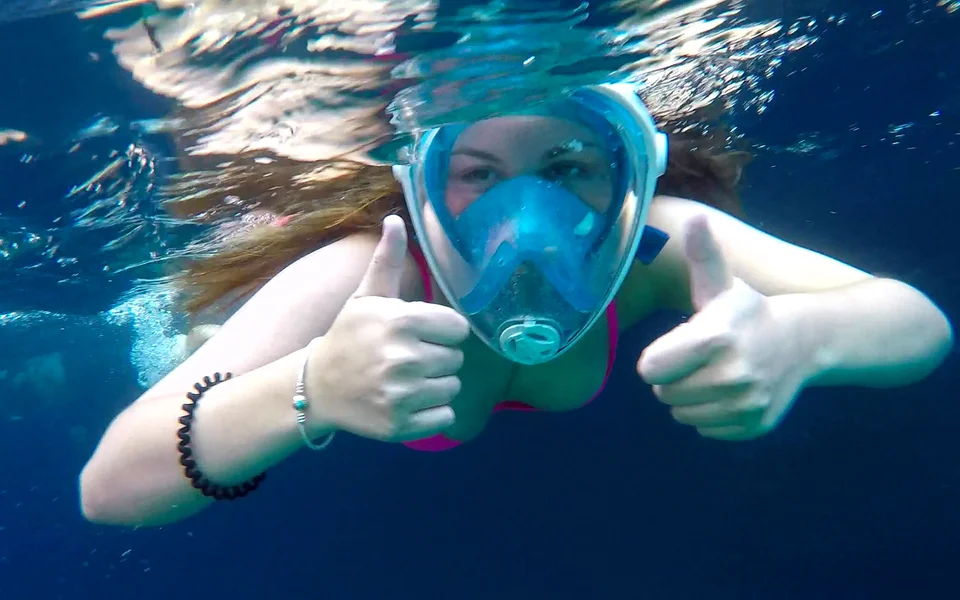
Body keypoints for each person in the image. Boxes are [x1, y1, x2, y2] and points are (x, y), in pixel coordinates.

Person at [79, 83, 953, 527]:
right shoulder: (368, 268)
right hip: (301, 348)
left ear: (626, 176)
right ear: (422, 188)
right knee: (217, 352)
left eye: (569, 168)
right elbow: (109, 486)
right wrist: (308, 386)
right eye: (479, 176)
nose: (526, 223)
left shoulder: (659, 239)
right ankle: (202, 338)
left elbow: (915, 321)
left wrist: (800, 337)